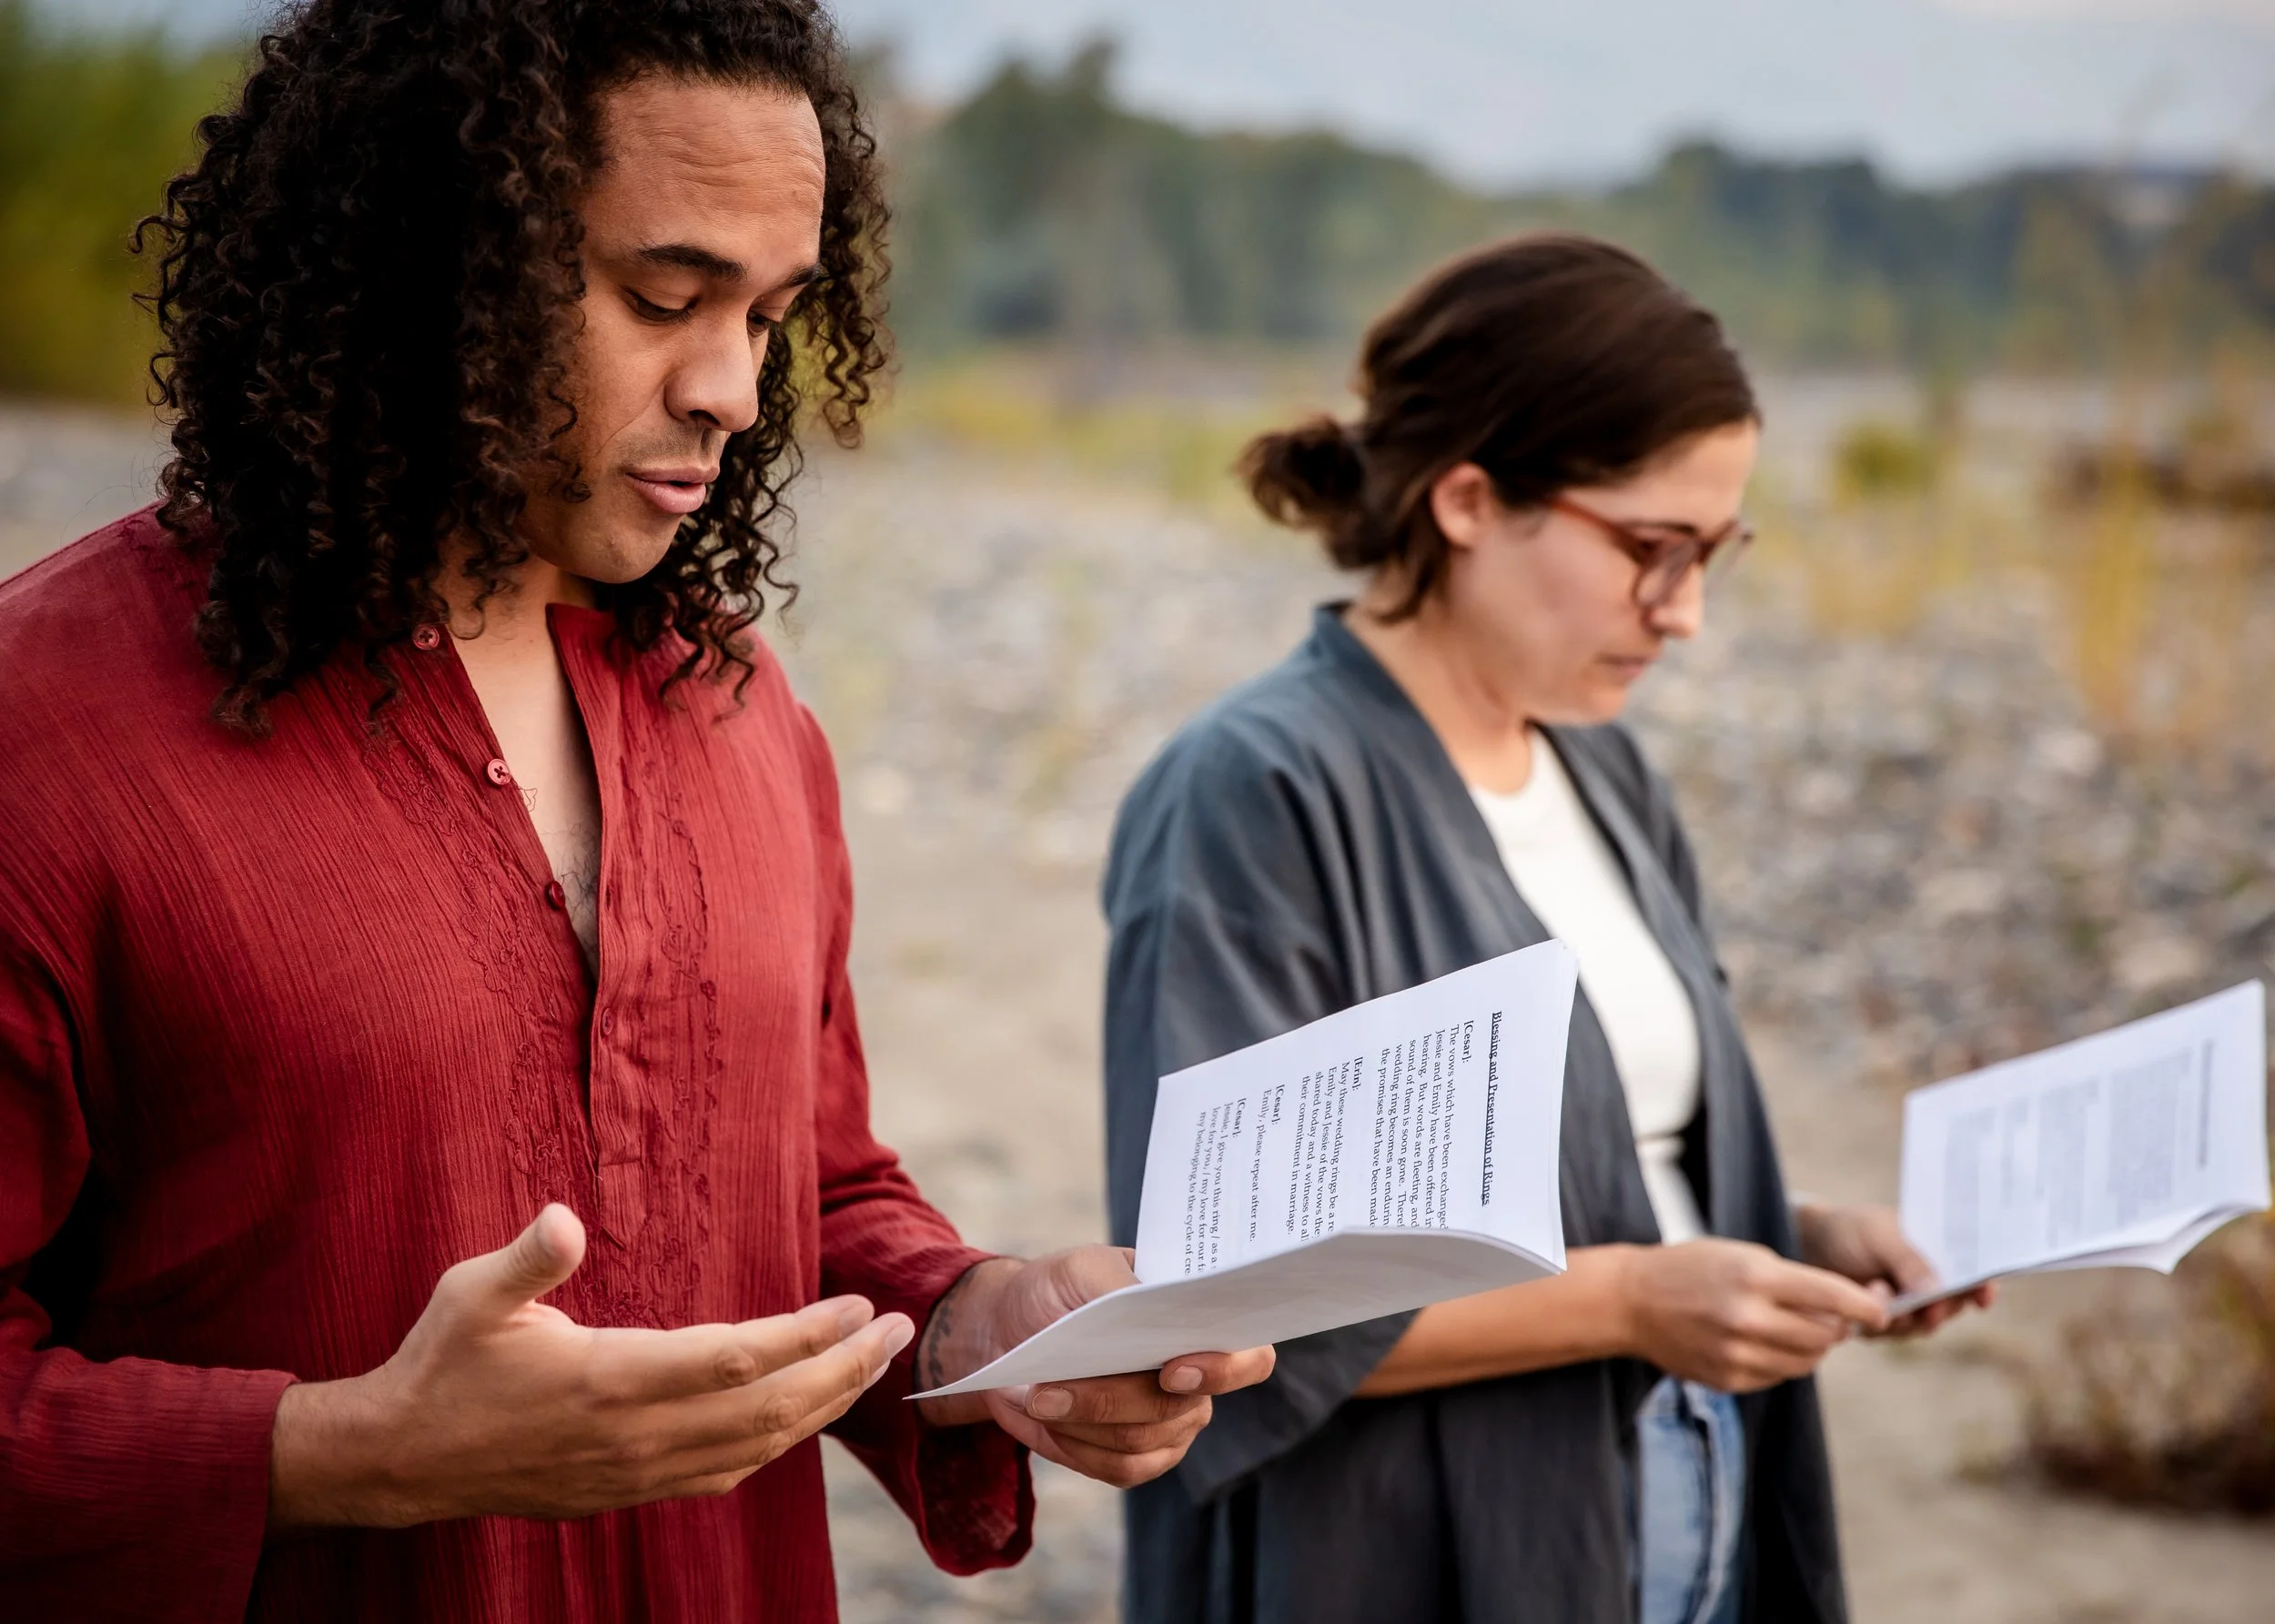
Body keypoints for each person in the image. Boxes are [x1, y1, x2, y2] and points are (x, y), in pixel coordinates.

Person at [0, 4, 1272, 1619]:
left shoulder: (738, 710)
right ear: (425, 259)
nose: (734, 387)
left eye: (771, 313)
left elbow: (803, 1191)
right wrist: (342, 1451)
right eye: (662, 299)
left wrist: (977, 1325)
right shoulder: (46, 737)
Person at [1102, 235, 1989, 1624]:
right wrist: (1637, 1299)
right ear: (1468, 499)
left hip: (1690, 1486)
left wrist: (1790, 1236)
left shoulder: (1602, 767)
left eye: (1714, 555)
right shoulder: (1253, 790)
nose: (1684, 613)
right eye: (1651, 549)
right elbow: (1219, 1300)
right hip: (1403, 1548)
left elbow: (1605, 1153)